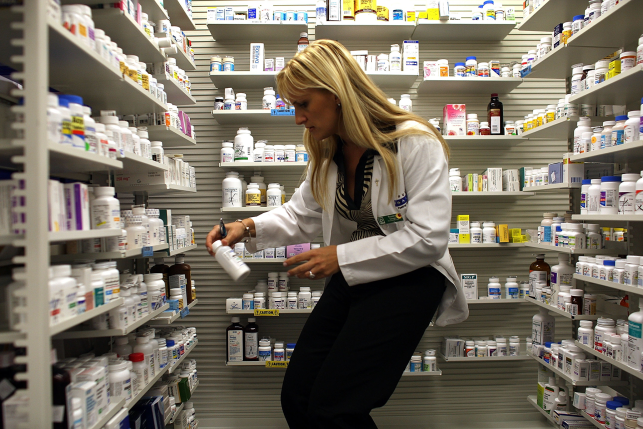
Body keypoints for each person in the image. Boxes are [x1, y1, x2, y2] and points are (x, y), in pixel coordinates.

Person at [206, 39, 468, 429]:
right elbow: (300, 214)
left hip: (412, 278)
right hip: (355, 275)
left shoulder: (413, 142)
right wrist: (245, 228)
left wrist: (339, 257)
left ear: (337, 93)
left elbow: (429, 238)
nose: (298, 118)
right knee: (298, 395)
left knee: (336, 406)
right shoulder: (328, 155)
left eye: (303, 104)